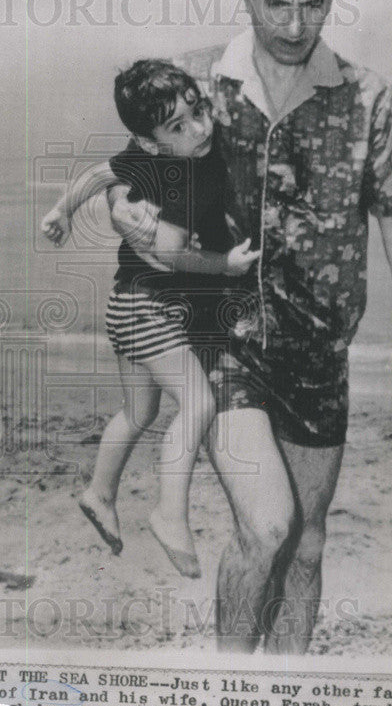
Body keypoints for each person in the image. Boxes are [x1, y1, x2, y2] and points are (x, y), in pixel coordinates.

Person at [108, 0, 392, 652]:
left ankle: (285, 701)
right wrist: (128, 212)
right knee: (265, 526)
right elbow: (134, 171)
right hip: (222, 341)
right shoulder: (194, 84)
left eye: (312, 4)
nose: (293, 23)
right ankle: (232, 695)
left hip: (317, 357)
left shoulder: (367, 100)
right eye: (275, 3)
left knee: (306, 545)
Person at [41, 60, 258, 577]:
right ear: (154, 140)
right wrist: (225, 265)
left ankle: (99, 493)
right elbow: (172, 253)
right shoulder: (187, 176)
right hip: (149, 308)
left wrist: (61, 210)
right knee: (198, 401)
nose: (200, 129)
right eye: (179, 127)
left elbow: (100, 173)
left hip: (126, 302)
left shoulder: (146, 154)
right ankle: (170, 512)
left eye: (199, 112)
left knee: (139, 413)